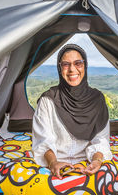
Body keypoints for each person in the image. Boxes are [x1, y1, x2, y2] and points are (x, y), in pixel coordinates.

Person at [32, 44, 112, 179]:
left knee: (110, 180)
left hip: (87, 162)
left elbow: (101, 139)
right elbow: (43, 141)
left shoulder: (97, 100)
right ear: (59, 68)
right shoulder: (48, 100)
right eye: (66, 64)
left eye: (78, 63)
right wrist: (53, 163)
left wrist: (97, 161)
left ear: (85, 66)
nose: (72, 69)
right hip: (54, 162)